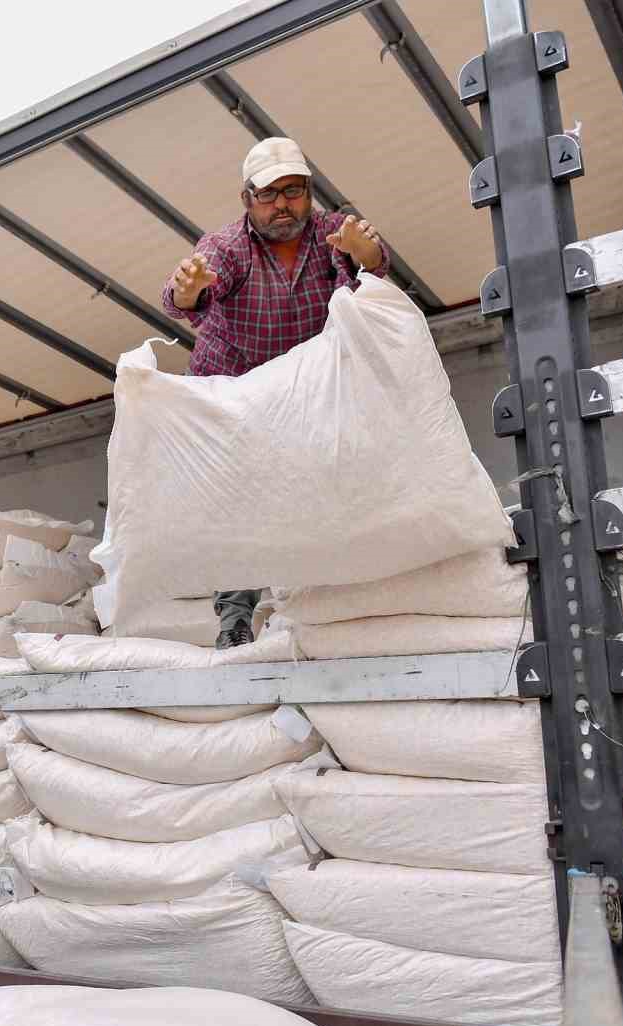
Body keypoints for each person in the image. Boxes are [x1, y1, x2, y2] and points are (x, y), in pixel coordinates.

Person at [161, 136, 390, 649]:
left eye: (294, 191)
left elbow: (376, 264)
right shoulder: (229, 246)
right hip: (235, 388)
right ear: (247, 199)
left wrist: (363, 251)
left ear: (309, 193)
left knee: (325, 481)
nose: (283, 204)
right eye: (269, 194)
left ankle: (327, 604)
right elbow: (186, 296)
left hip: (307, 386)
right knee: (238, 501)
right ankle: (235, 618)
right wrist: (188, 286)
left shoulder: (333, 231)